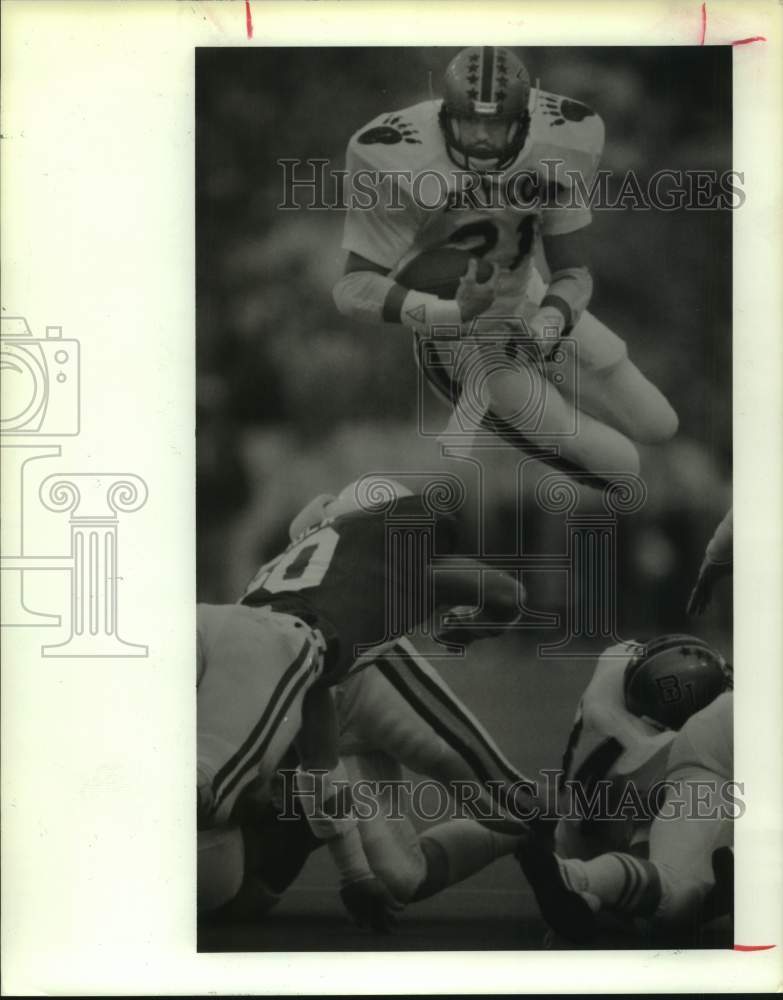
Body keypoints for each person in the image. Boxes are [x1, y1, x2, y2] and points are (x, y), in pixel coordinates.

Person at [333, 46, 678, 485]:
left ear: (522, 122)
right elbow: (353, 288)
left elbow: (574, 273)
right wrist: (451, 313)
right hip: (458, 335)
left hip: (526, 296)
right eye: (468, 121)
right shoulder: (396, 156)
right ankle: (485, 400)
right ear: (444, 117)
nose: (479, 137)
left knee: (660, 423)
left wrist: (548, 325)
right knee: (620, 463)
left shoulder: (563, 139)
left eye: (493, 125)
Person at [197, 476, 527, 928]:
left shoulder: (326, 554)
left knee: (505, 799)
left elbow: (499, 591)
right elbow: (506, 594)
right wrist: (477, 624)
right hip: (311, 670)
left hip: (348, 670)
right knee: (400, 876)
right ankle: (297, 825)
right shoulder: (344, 565)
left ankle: (571, 837)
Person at [517, 636, 734, 945]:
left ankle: (585, 885)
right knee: (678, 892)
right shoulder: (705, 727)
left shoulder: (613, 681)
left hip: (580, 823)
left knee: (664, 883)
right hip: (622, 801)